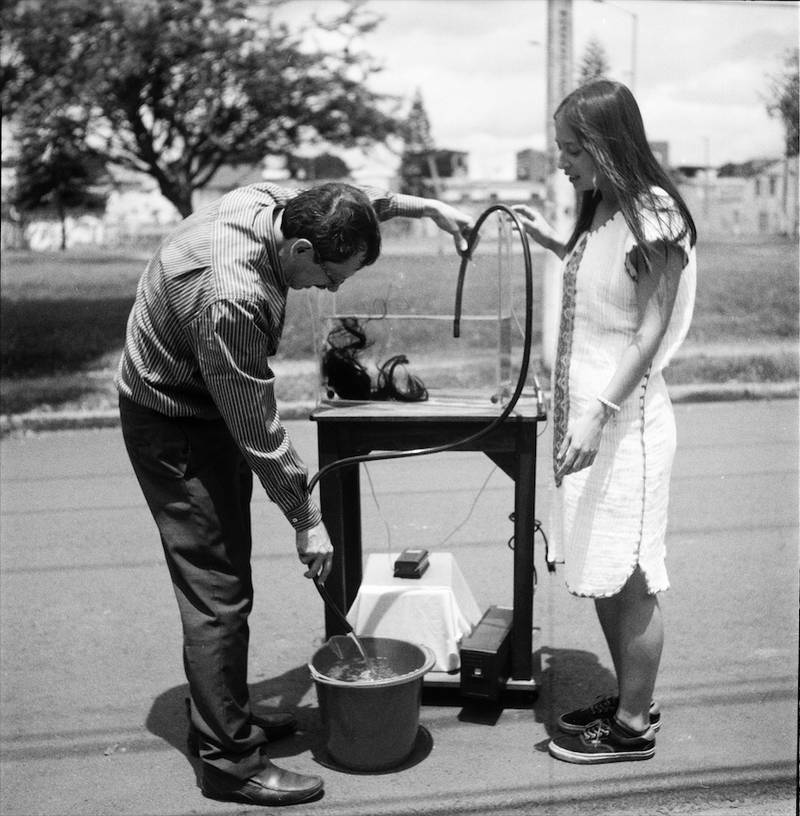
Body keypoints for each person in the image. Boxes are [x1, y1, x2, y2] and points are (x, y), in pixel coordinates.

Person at [115, 181, 474, 805]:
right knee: (217, 589)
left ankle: (226, 714)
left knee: (228, 577)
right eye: (332, 275)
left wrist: (426, 207)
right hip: (173, 418)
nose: (334, 291)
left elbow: (349, 201)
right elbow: (256, 423)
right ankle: (229, 760)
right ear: (301, 248)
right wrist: (307, 518)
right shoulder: (232, 296)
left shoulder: (270, 205)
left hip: (202, 396)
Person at [513, 79, 696, 764]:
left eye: (570, 150)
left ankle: (630, 729)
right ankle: (631, 697)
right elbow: (601, 295)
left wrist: (598, 416)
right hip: (584, 423)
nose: (562, 162)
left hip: (625, 427)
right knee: (598, 562)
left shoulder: (655, 215)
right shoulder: (601, 212)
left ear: (607, 143)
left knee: (634, 574)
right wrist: (551, 243)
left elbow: (647, 329)